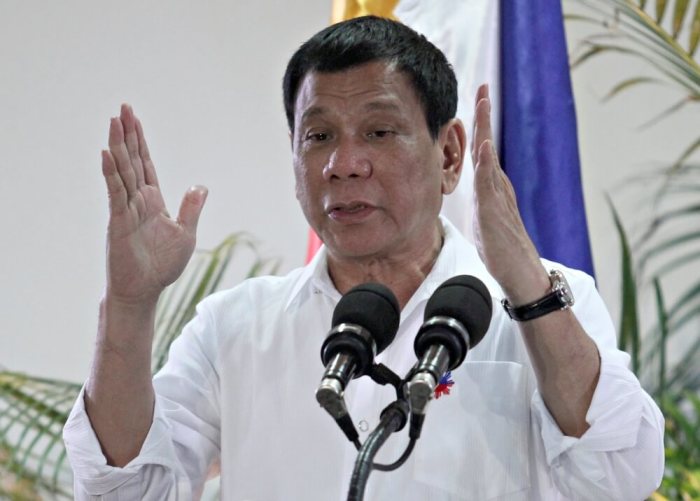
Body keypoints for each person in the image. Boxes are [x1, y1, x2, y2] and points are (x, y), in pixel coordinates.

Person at [63, 16, 664, 500]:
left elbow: (619, 478)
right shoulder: (234, 328)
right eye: (318, 136)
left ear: (450, 153)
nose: (341, 164)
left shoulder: (545, 302)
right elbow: (126, 489)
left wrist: (528, 285)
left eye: (378, 132)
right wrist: (131, 304)